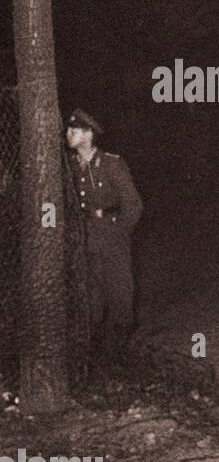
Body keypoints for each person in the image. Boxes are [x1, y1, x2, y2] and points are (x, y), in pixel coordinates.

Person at [66, 109, 143, 355]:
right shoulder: (68, 168)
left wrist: (118, 232)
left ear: (88, 134)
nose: (68, 134)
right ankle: (95, 352)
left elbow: (133, 205)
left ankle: (123, 351)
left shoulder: (110, 163)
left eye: (74, 130)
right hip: (85, 236)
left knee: (119, 291)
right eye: (69, 130)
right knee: (91, 296)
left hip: (111, 233)